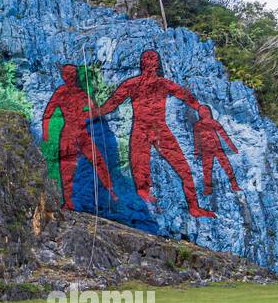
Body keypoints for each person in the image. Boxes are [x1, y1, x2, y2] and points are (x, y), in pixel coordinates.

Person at [95, 49, 215, 218]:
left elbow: (186, 97)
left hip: (160, 130)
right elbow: (112, 104)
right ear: (142, 62)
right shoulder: (132, 84)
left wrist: (200, 108)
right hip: (140, 129)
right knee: (139, 171)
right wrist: (93, 112)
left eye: (153, 58)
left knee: (184, 169)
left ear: (157, 63)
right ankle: (144, 206)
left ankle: (194, 208)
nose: (150, 61)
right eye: (147, 58)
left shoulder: (164, 84)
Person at [41, 64, 117, 210]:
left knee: (97, 159)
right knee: (67, 167)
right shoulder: (60, 93)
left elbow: (94, 110)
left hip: (82, 133)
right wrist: (46, 134)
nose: (71, 77)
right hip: (69, 134)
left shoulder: (81, 93)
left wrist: (89, 108)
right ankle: (68, 201)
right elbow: (47, 114)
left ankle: (110, 190)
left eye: (73, 74)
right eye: (69, 75)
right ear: (64, 77)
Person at [194, 104, 241, 198]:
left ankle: (234, 186)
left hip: (215, 148)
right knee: (209, 170)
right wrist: (196, 152)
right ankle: (208, 190)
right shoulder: (199, 125)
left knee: (225, 167)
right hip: (207, 150)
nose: (204, 113)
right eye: (202, 112)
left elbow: (224, 136)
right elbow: (197, 140)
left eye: (205, 111)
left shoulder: (212, 123)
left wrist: (233, 148)